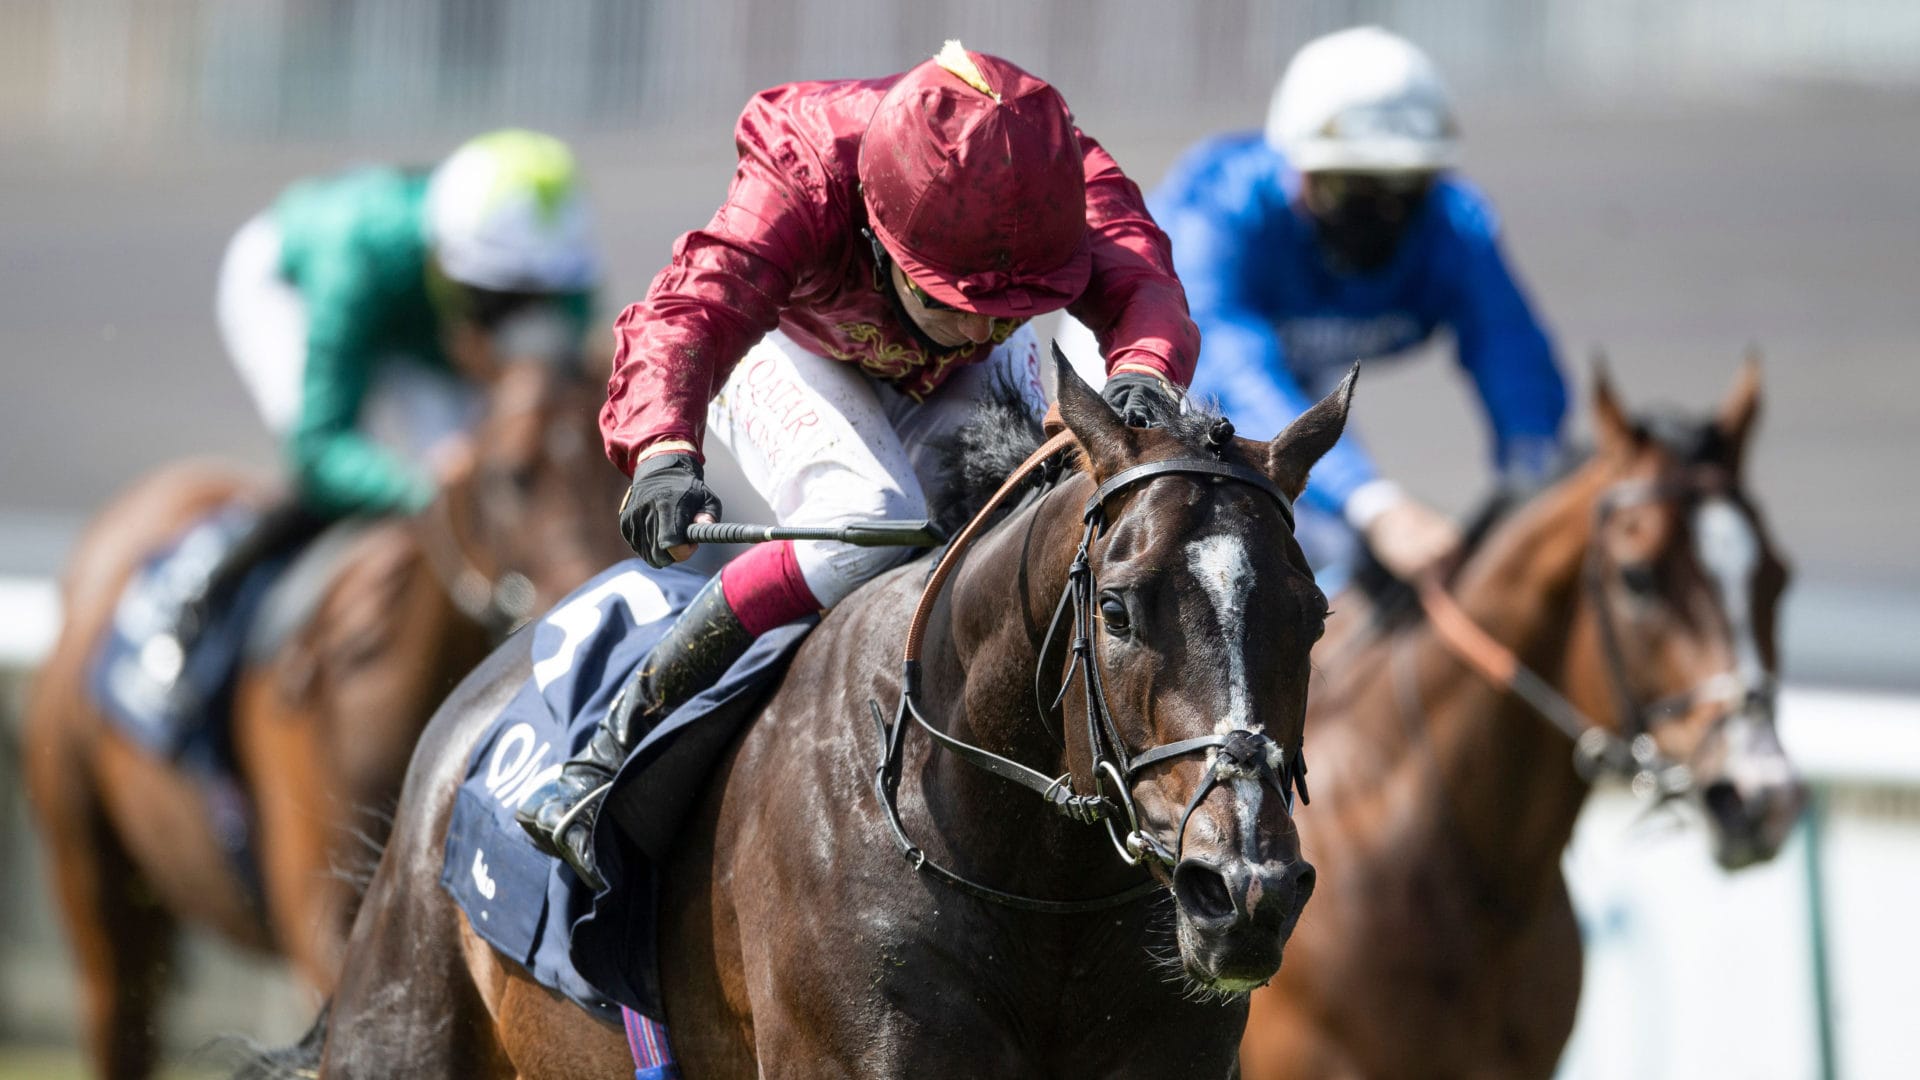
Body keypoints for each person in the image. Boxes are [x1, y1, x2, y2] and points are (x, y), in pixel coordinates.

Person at [517, 41, 1199, 889]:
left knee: (1044, 521)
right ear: (879, 231)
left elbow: (1145, 285)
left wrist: (1141, 370)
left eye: (1016, 306)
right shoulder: (804, 172)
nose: (992, 327)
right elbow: (690, 313)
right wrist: (662, 449)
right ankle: (621, 739)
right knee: (872, 522)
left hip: (935, 369)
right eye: (964, 303)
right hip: (796, 347)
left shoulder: (1056, 174)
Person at [154, 129, 602, 701]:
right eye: (500, 304)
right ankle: (203, 597)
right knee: (382, 476)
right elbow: (321, 450)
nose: (518, 327)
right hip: (291, 287)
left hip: (422, 322)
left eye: (540, 302)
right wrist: (420, 487)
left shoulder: (557, 272)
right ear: (446, 264)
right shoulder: (354, 257)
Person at [1148, 26, 1567, 589]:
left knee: (1344, 559)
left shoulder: (1455, 227)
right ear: (1297, 165)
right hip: (1167, 377)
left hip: (1298, 390)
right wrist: (1373, 502)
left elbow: (1510, 350)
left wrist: (1532, 478)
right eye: (1352, 187)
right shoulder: (1218, 209)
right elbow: (1230, 368)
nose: (1384, 214)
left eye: (1406, 188)